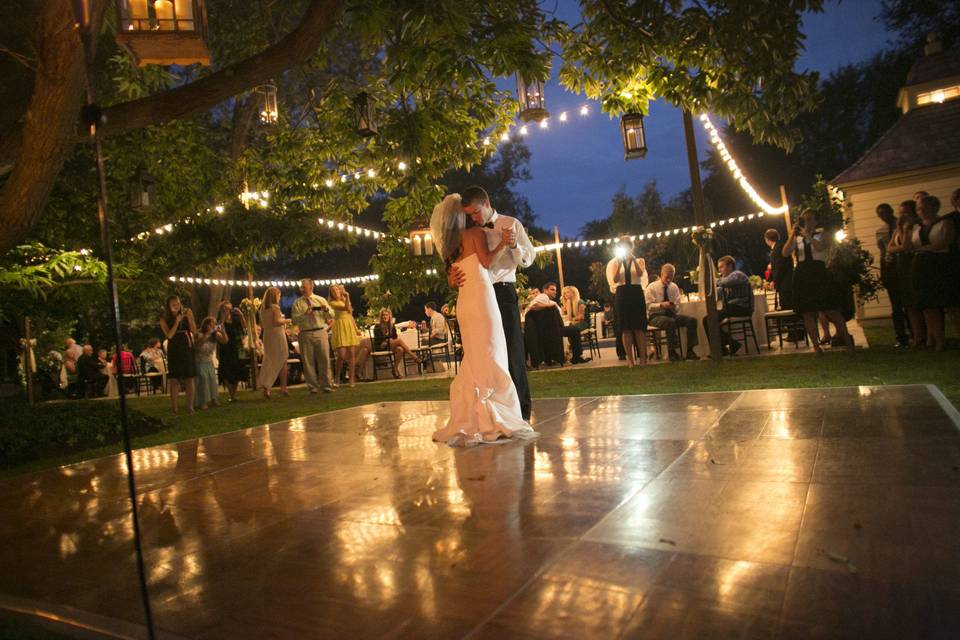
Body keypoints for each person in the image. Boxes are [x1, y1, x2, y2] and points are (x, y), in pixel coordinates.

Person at [429, 193, 536, 445]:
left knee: (512, 353)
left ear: (487, 203)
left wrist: (511, 244)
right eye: (469, 215)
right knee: (486, 354)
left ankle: (519, 413)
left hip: (501, 291)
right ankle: (492, 414)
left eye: (476, 212)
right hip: (479, 294)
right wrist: (451, 278)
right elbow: (460, 267)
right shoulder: (467, 235)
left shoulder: (511, 223)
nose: (474, 218)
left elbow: (528, 259)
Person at [782, 209, 854, 354]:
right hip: (802, 272)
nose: (806, 222)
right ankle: (816, 346)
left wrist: (808, 234)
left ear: (816, 220)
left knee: (830, 308)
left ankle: (847, 342)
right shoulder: (798, 238)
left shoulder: (823, 234)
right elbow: (785, 253)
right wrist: (792, 236)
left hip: (819, 272)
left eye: (809, 219)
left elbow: (819, 247)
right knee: (807, 311)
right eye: (804, 219)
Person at [905, 195, 954, 351]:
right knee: (927, 304)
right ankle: (935, 340)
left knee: (947, 303)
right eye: (919, 208)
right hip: (920, 265)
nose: (922, 211)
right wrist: (906, 230)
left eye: (925, 208)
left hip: (939, 264)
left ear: (935, 208)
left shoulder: (945, 222)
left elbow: (945, 242)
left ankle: (945, 339)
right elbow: (908, 247)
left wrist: (923, 249)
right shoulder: (917, 226)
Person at [887, 200, 925, 346]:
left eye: (905, 213)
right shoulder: (900, 228)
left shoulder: (917, 226)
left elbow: (908, 246)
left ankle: (926, 335)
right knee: (908, 302)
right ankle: (917, 336)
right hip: (902, 265)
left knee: (918, 301)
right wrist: (901, 230)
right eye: (900, 213)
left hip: (916, 264)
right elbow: (891, 247)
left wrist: (905, 232)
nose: (902, 217)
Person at [606, 236, 648, 367]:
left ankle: (643, 359)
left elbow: (640, 274)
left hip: (636, 292)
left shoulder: (640, 260)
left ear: (631, 247)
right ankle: (630, 359)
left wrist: (633, 259)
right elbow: (615, 279)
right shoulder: (615, 262)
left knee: (639, 327)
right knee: (626, 328)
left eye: (627, 246)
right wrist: (619, 264)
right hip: (622, 293)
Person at [646, 263, 700, 361]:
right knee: (670, 322)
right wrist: (661, 305)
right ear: (662, 274)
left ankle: (690, 350)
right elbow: (648, 306)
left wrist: (673, 307)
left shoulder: (674, 287)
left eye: (671, 277)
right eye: (667, 277)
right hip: (655, 316)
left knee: (692, 321)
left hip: (671, 314)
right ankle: (672, 352)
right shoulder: (652, 287)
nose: (669, 280)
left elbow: (678, 306)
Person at [875, 203, 910, 346]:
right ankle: (901, 336)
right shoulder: (881, 231)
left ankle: (916, 333)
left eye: (885, 212)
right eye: (880, 214)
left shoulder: (901, 225)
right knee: (895, 305)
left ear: (891, 211)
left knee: (908, 302)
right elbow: (883, 251)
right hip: (889, 267)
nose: (884, 216)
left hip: (903, 265)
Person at [291, 278, 334, 394]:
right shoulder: (297, 303)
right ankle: (313, 387)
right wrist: (305, 314)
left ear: (311, 287)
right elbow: (294, 319)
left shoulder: (320, 300)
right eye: (301, 287)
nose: (302, 289)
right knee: (308, 361)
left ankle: (326, 385)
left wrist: (326, 310)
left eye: (304, 287)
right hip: (305, 332)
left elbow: (331, 314)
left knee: (324, 359)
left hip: (320, 331)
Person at [160, 295, 197, 414]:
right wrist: (176, 322)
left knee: (189, 377)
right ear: (169, 307)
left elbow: (194, 331)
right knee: (174, 379)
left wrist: (190, 319)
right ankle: (174, 407)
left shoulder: (186, 314)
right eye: (173, 305)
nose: (177, 307)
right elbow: (169, 335)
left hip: (186, 346)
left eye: (178, 304)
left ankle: (190, 406)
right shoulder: (164, 318)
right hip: (174, 347)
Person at [364, 308, 420, 378]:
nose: (385, 316)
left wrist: (388, 340)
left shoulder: (391, 325)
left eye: (386, 315)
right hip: (381, 347)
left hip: (389, 345)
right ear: (381, 317)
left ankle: (395, 368)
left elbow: (394, 336)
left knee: (400, 349)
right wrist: (386, 340)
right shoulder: (377, 326)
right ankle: (414, 357)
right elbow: (377, 340)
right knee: (399, 341)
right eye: (383, 315)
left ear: (389, 316)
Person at [543, 282, 590, 364]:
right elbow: (564, 316)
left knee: (572, 329)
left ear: (574, 293)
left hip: (583, 323)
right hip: (573, 324)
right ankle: (577, 356)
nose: (565, 294)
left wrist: (572, 320)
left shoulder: (580, 302)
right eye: (564, 293)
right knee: (573, 331)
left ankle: (574, 356)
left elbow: (581, 317)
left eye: (568, 292)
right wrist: (566, 305)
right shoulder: (568, 303)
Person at [257, 287, 291, 398]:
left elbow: (262, 325)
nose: (280, 298)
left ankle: (267, 388)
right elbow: (277, 321)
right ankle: (283, 387)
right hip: (277, 336)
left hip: (267, 335)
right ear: (274, 296)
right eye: (279, 295)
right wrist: (288, 320)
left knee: (269, 360)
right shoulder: (275, 307)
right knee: (282, 360)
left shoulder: (262, 308)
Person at [329, 284, 360, 387]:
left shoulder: (345, 299)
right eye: (333, 290)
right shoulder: (332, 302)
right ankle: (337, 377)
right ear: (331, 293)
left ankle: (351, 379)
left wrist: (356, 329)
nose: (335, 291)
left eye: (336, 289)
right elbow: (345, 308)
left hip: (349, 325)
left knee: (351, 354)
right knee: (341, 355)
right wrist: (347, 297)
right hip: (340, 326)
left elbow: (350, 314)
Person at [216, 301, 246, 401]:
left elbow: (244, 327)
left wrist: (241, 315)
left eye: (229, 309)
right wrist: (223, 318)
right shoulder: (220, 320)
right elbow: (219, 327)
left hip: (235, 346)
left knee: (237, 369)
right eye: (225, 309)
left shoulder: (235, 319)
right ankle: (230, 393)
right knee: (225, 370)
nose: (228, 311)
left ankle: (233, 393)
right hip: (225, 347)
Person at [194, 317, 227, 409]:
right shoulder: (199, 333)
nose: (213, 326)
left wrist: (223, 331)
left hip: (208, 361)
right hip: (199, 361)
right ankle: (202, 401)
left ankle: (213, 398)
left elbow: (225, 341)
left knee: (212, 379)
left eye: (214, 324)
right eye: (211, 324)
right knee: (203, 380)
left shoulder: (215, 335)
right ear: (206, 325)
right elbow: (198, 344)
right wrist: (208, 333)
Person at [764, 228, 794, 310]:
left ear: (767, 239)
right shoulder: (779, 246)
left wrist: (774, 281)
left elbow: (779, 267)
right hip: (785, 282)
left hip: (786, 283)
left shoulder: (778, 248)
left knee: (787, 307)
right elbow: (775, 267)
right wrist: (769, 280)